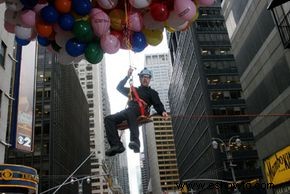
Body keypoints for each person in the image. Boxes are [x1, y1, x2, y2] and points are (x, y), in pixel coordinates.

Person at [105, 67, 168, 157]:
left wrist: (163, 112)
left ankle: (135, 142)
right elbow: (119, 88)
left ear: (150, 79)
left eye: (147, 77)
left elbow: (158, 104)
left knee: (130, 112)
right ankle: (116, 145)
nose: (145, 79)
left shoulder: (152, 93)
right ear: (140, 79)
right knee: (108, 119)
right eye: (143, 77)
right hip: (129, 111)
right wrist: (127, 76)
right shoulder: (133, 90)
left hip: (141, 111)